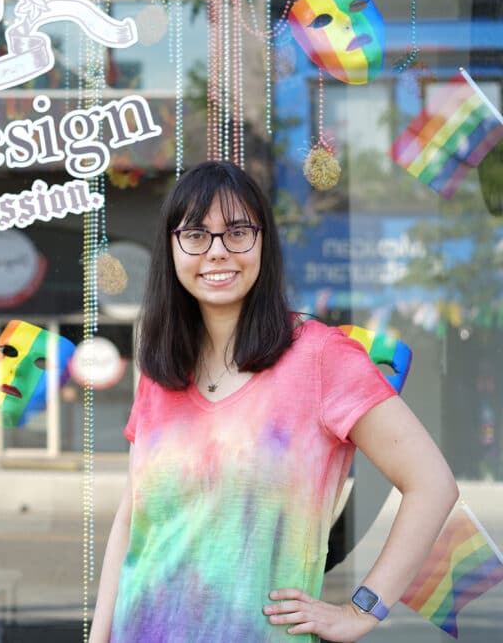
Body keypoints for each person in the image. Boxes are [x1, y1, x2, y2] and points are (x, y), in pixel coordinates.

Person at [89, 162, 458, 643]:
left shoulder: (322, 356)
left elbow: (432, 485)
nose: (217, 252)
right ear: (171, 249)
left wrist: (361, 610)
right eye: (196, 235)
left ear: (263, 243)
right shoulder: (163, 369)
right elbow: (131, 520)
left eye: (237, 232)